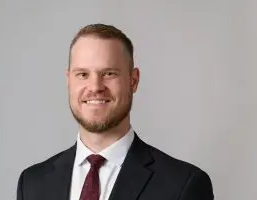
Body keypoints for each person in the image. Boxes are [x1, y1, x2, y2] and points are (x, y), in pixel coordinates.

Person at [16, 23, 214, 200]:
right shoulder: (32, 184)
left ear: (133, 80)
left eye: (109, 73)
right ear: (69, 80)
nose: (95, 86)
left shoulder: (183, 185)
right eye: (82, 74)